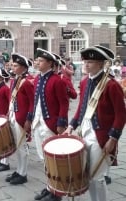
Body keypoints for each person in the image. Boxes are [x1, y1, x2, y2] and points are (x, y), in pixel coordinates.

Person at [65, 45, 126, 201]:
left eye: (90, 62)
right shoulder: (85, 82)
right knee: (88, 175)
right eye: (85, 61)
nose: (86, 64)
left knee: (97, 176)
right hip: (85, 132)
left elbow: (121, 114)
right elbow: (81, 108)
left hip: (101, 136)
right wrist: (71, 126)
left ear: (101, 64)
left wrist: (113, 139)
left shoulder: (111, 85)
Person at [32, 48, 69, 201]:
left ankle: (57, 193)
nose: (37, 63)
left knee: (54, 160)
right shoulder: (37, 79)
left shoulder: (57, 80)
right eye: (37, 60)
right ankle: (50, 186)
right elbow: (35, 102)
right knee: (45, 159)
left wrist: (61, 122)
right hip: (38, 122)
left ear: (49, 63)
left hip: (50, 124)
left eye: (40, 61)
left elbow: (64, 103)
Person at [4, 53, 34, 185]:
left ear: (23, 67)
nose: (13, 67)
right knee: (17, 145)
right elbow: (12, 100)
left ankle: (23, 173)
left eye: (16, 65)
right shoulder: (15, 80)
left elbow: (33, 103)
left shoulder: (27, 82)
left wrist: (29, 119)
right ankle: (19, 170)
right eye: (13, 65)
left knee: (22, 146)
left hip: (21, 118)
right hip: (13, 115)